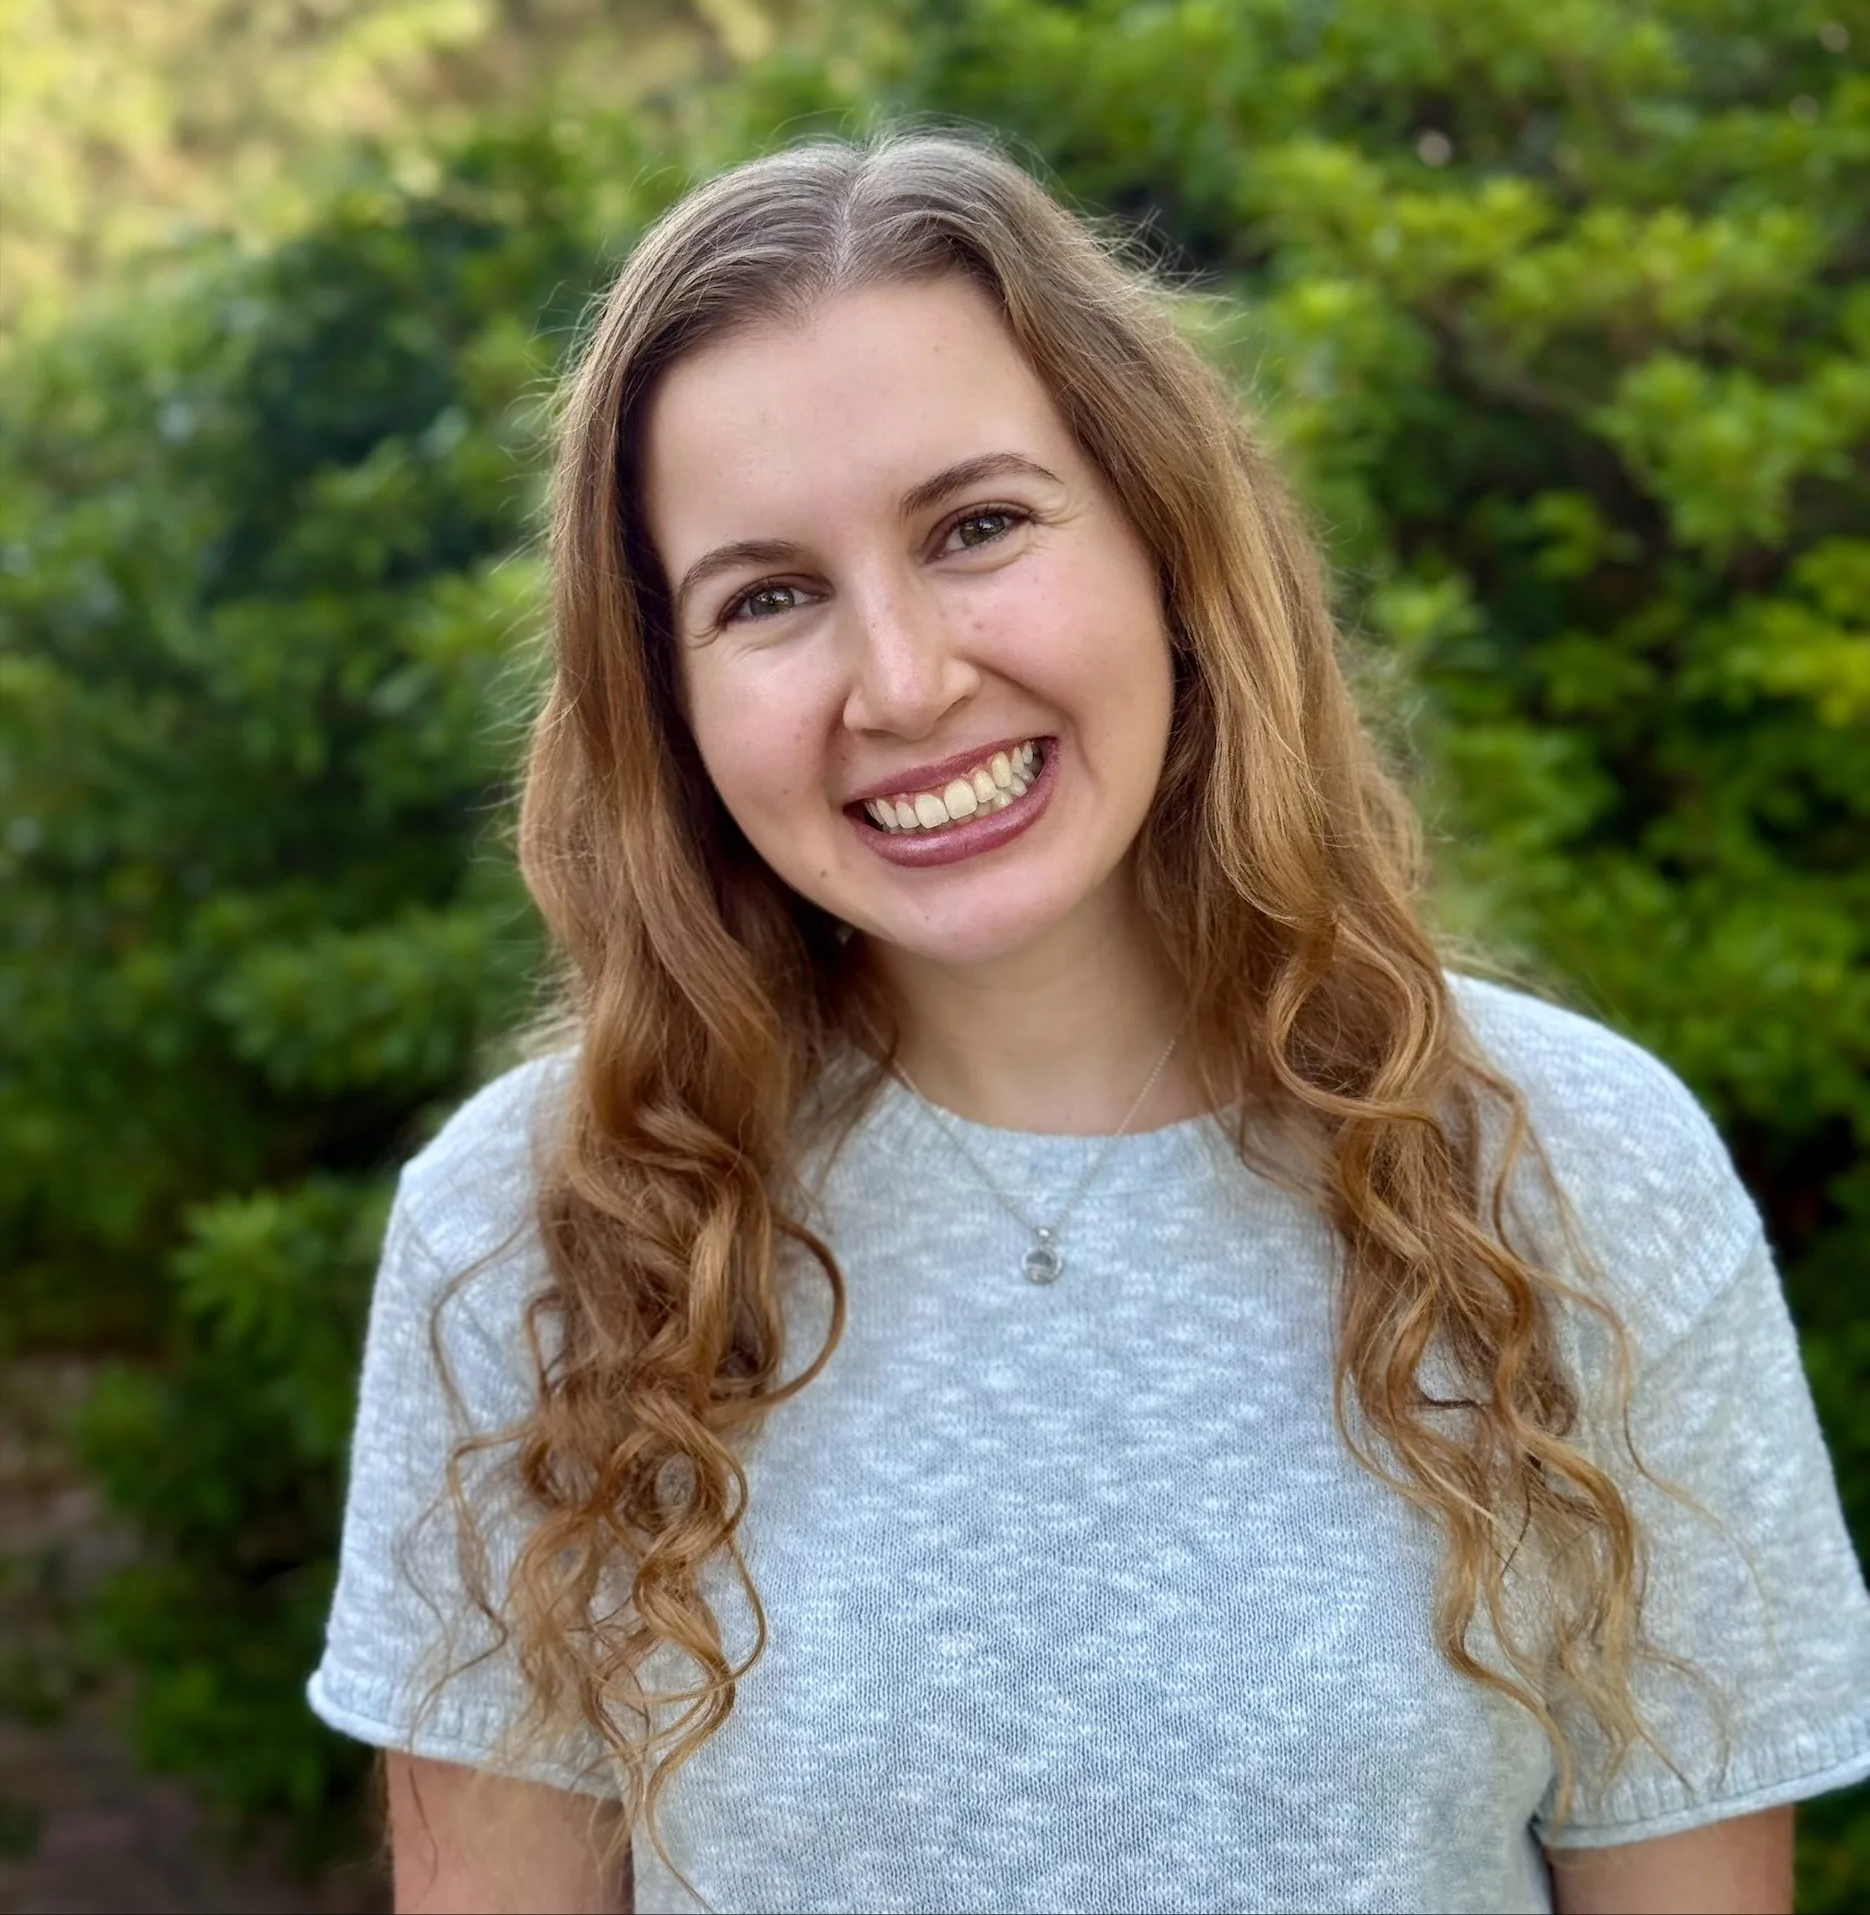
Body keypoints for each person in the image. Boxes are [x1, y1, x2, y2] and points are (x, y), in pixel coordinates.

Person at [308, 132, 1870, 1915]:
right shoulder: (525, 1230)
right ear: (666, 697)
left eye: (976, 528)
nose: (902, 684)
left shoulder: (1577, 1171)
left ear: (1165, 547)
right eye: (768, 597)